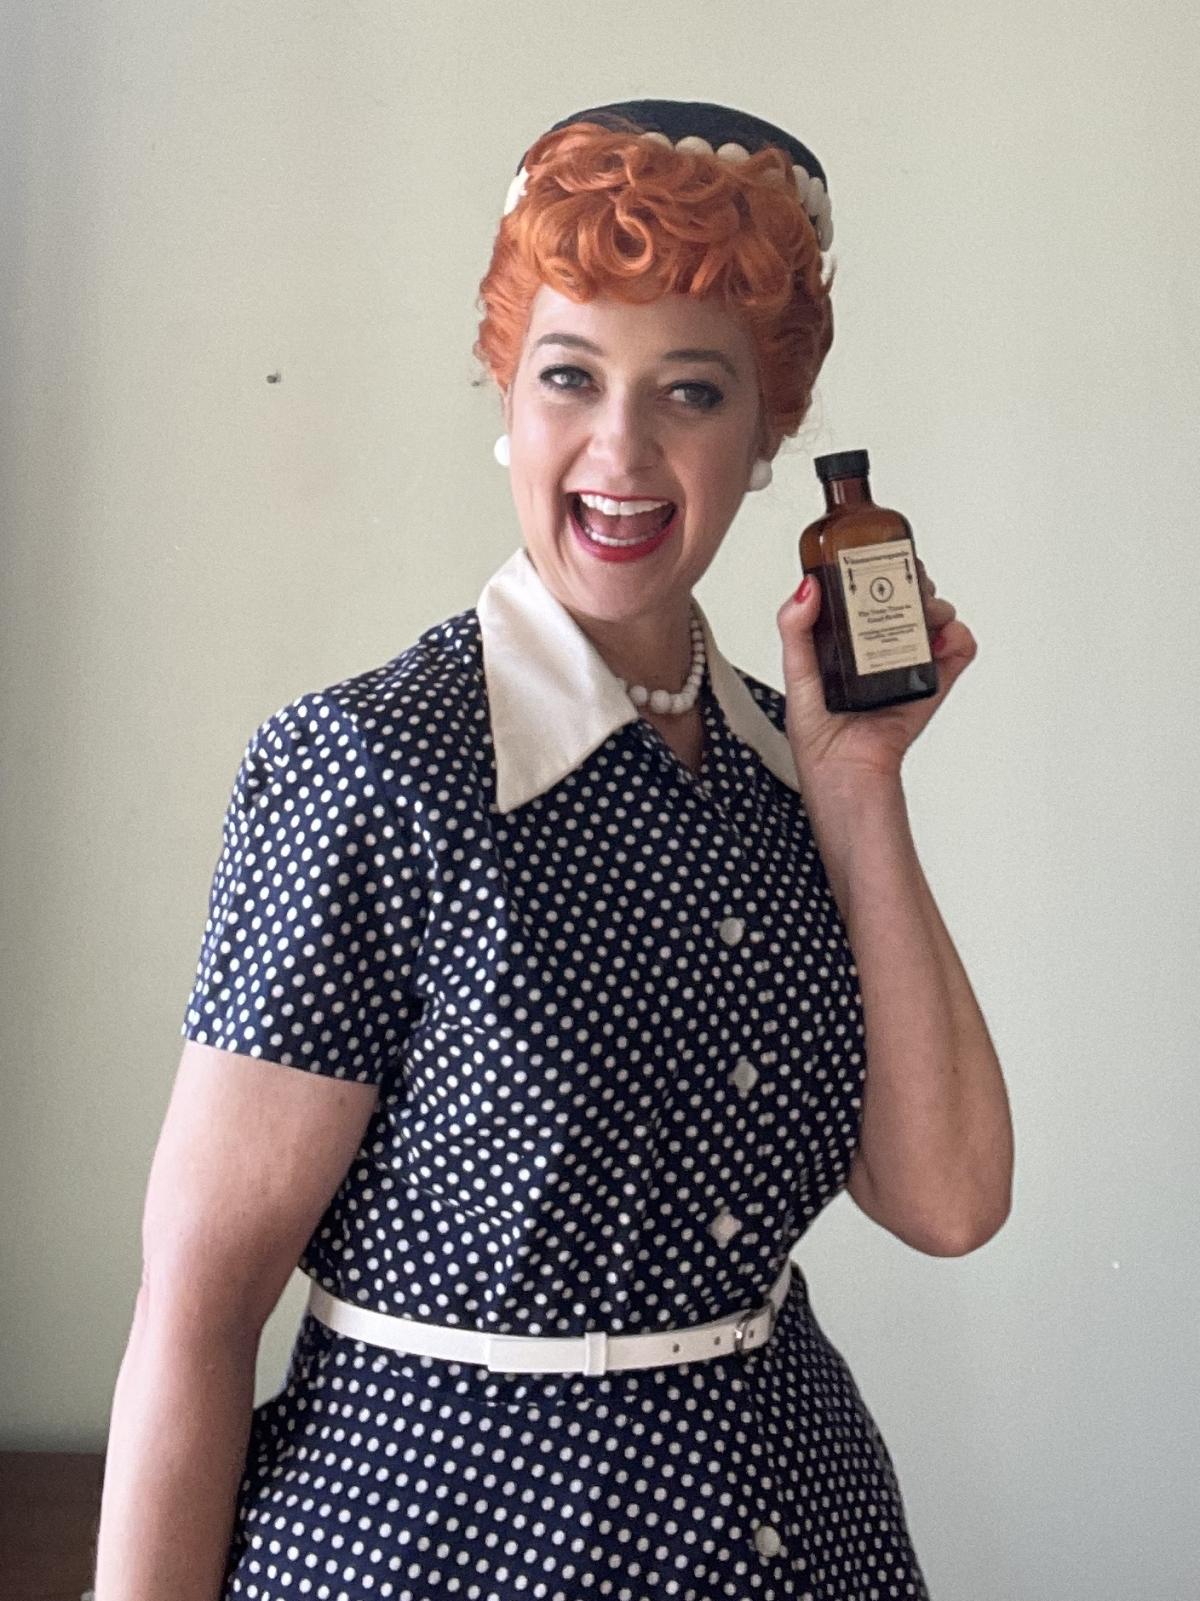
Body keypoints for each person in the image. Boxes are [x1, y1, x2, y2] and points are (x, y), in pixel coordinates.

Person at [93, 98, 1013, 1600]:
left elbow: (950, 1196)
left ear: (771, 427)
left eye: (694, 393)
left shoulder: (791, 769)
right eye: (569, 377)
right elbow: (196, 1311)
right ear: (506, 396)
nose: (621, 452)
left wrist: (860, 792)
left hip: (807, 1535)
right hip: (440, 1544)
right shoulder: (372, 769)